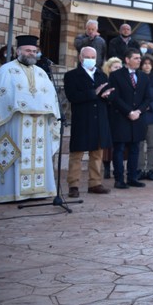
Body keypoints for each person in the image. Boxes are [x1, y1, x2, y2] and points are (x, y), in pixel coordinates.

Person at [0, 35, 61, 204]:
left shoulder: (42, 73)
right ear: (19, 51)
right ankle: (10, 192)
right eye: (28, 50)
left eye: (34, 51)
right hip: (14, 123)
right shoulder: (6, 70)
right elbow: (0, 98)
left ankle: (38, 190)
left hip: (40, 125)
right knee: (12, 157)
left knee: (37, 157)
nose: (32, 54)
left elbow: (52, 98)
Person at [63, 46, 114, 197]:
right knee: (76, 154)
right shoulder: (72, 76)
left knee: (97, 154)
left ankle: (95, 183)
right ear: (80, 58)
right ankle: (73, 185)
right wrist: (94, 93)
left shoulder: (102, 75)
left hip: (99, 120)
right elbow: (72, 96)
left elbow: (110, 96)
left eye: (93, 57)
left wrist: (107, 96)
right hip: (82, 120)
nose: (90, 59)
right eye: (87, 57)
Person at [107, 48, 152, 189]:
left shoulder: (144, 77)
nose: (140, 61)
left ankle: (133, 177)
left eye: (140, 58)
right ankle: (119, 179)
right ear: (127, 60)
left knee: (135, 149)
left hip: (138, 118)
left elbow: (147, 98)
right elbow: (115, 97)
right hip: (121, 117)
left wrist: (138, 111)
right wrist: (129, 112)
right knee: (119, 149)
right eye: (136, 58)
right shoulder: (115, 75)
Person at [100, 57, 123, 179]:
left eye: (120, 67)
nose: (118, 69)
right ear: (109, 69)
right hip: (107, 115)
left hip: (120, 115)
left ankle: (118, 169)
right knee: (107, 144)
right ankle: (107, 168)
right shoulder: (104, 80)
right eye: (115, 67)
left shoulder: (123, 80)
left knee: (118, 145)